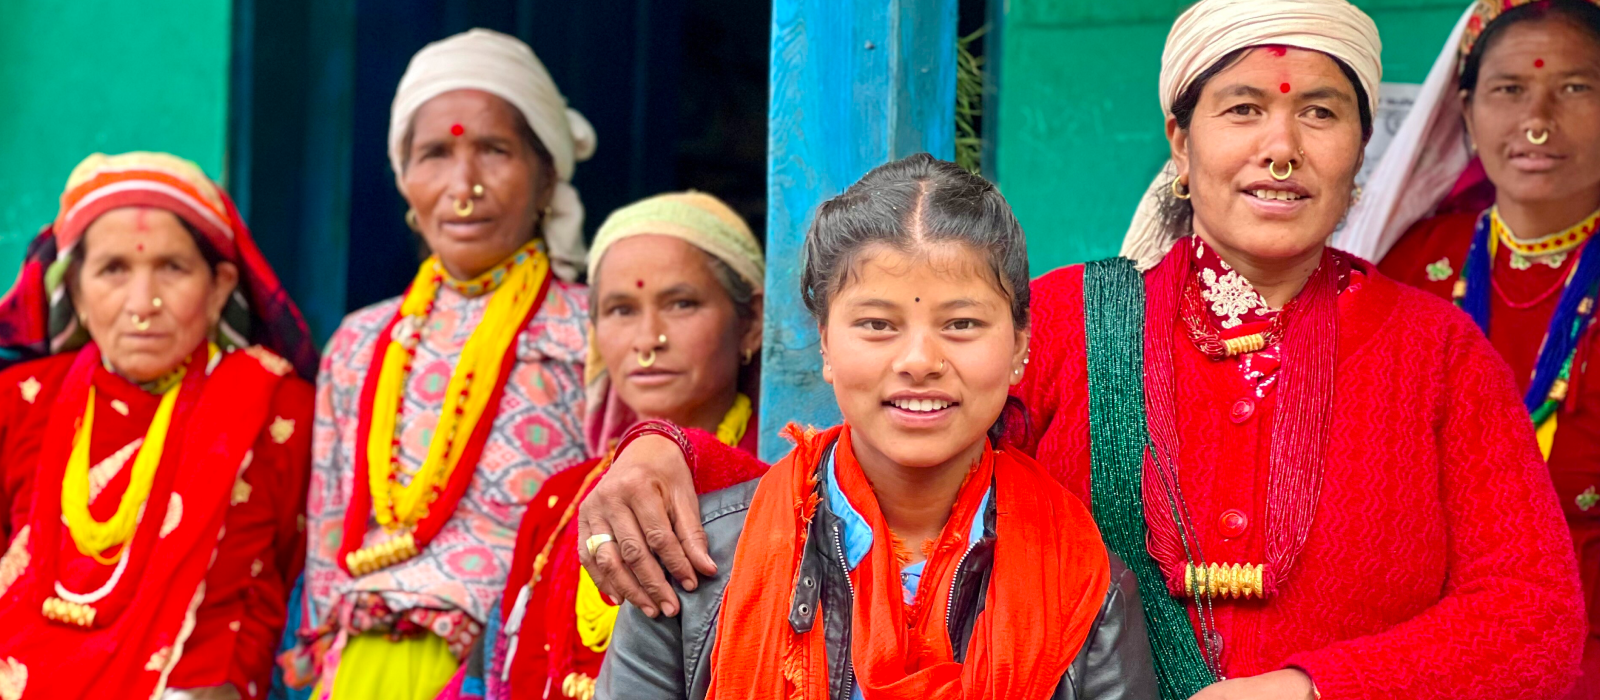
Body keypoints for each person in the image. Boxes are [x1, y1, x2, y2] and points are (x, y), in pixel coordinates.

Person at [575, 1, 1590, 699]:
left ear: (1359, 152)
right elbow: (889, 467)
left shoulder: (1433, 350)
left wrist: (1312, 686)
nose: (1280, 146)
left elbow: (1537, 621)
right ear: (1179, 144)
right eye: (1242, 110)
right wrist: (673, 452)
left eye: (1318, 113)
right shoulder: (1065, 325)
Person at [594, 154, 1156, 700]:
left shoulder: (1084, 583)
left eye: (961, 323)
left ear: (1019, 348)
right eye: (877, 323)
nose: (919, 360)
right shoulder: (697, 566)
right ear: (825, 344)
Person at [285, 29, 596, 700]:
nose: (464, 186)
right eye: (435, 154)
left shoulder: (594, 327)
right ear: (404, 181)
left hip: (508, 663)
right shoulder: (362, 340)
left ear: (546, 177)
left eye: (494, 150)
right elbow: (330, 520)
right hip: (362, 663)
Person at [0, 151, 319, 700]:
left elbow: (294, 574)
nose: (142, 304)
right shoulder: (21, 402)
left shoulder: (278, 412)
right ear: (75, 291)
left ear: (219, 287)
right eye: (113, 270)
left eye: (172, 268)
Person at [1348, 2, 1600, 695]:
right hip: (1422, 651)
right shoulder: (1410, 265)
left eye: (1575, 89)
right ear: (1464, 110)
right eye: (1509, 90)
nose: (1537, 121)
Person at [436, 191, 769, 700]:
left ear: (751, 322)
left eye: (681, 304)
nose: (648, 339)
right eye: (620, 310)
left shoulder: (783, 490)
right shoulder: (560, 501)